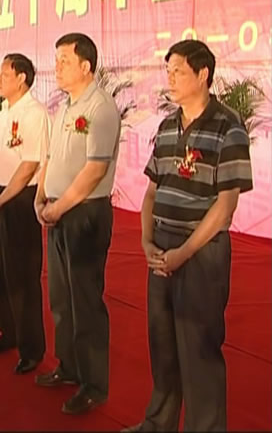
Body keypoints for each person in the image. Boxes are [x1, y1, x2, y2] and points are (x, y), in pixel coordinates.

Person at [123, 40, 253, 432]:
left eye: (179, 71)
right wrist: (147, 241)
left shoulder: (228, 126)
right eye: (168, 71)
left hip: (202, 251)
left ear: (203, 74)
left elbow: (225, 206)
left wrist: (184, 251)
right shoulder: (167, 126)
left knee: (199, 349)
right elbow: (152, 192)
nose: (171, 79)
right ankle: (158, 423)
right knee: (162, 345)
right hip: (162, 246)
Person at [34, 33, 121, 415]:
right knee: (61, 297)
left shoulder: (101, 107)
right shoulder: (65, 108)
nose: (57, 67)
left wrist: (60, 207)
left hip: (84, 213)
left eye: (65, 60)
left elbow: (94, 170)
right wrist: (41, 196)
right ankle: (68, 366)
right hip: (58, 209)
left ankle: (93, 384)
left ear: (86, 66)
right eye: (56, 60)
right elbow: (51, 158)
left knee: (85, 300)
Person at [0, 53, 49, 374]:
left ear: (22, 78)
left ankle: (31, 347)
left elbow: (29, 164)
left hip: (19, 200)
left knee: (23, 275)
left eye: (5, 74)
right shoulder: (2, 113)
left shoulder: (34, 113)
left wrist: (3, 199)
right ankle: (8, 332)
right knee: (1, 271)